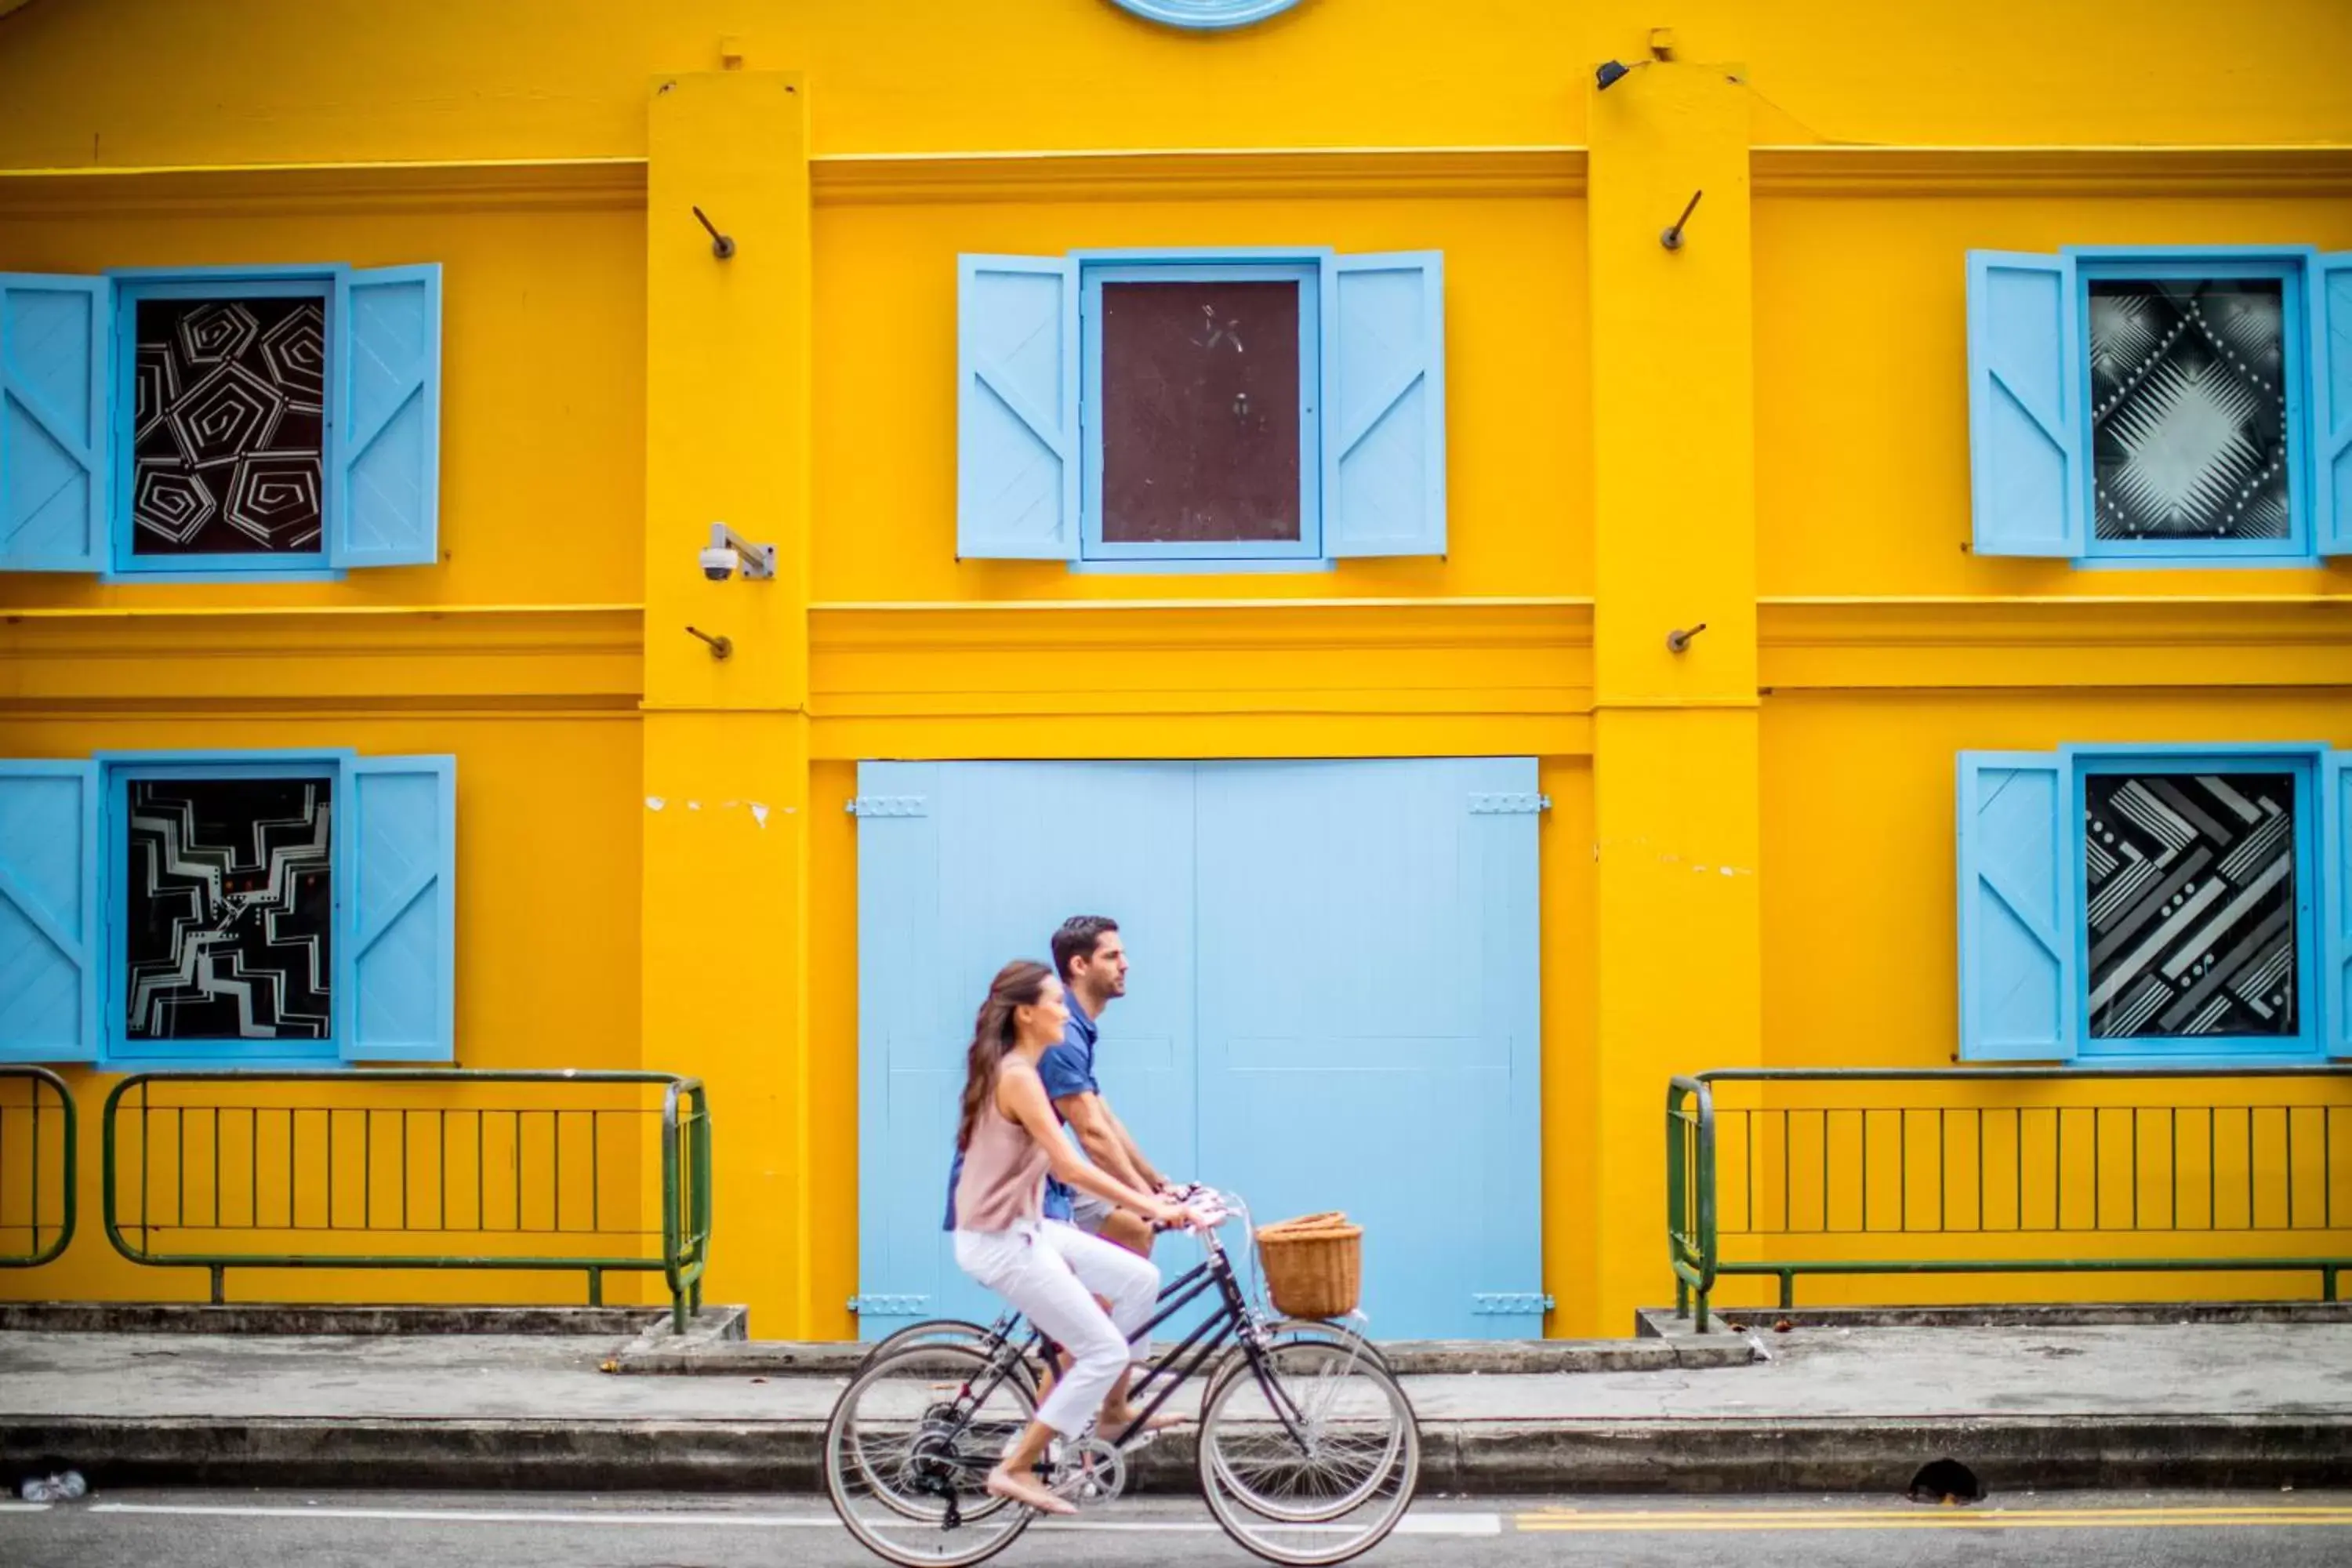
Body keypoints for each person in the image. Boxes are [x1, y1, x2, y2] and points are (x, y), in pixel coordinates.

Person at [949, 959, 1192, 1515]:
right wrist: (1152, 1205)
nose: (1066, 1011)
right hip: (1000, 1243)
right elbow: (1072, 1166)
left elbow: (1092, 1132)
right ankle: (1015, 1467)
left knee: (1139, 1279)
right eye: (1056, 1003)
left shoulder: (1023, 1070)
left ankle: (1115, 1410)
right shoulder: (1017, 1077)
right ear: (1027, 1014)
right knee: (1101, 1349)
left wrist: (1156, 1192)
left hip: (1032, 1231)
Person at [1042, 916, 1175, 1257]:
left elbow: (1105, 1119)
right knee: (1135, 1224)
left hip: (1047, 1168)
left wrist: (1155, 1182)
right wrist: (1149, 1202)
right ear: (1079, 965)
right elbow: (1092, 1135)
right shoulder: (1063, 1033)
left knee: (1135, 1230)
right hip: (1025, 1179)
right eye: (1112, 956)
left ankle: (1095, 1312)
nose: (1125, 965)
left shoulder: (1077, 1028)